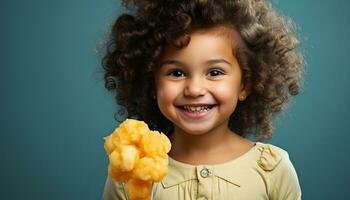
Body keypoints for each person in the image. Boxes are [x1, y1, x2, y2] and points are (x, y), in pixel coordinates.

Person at [101, 0, 304, 199]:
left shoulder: (272, 170)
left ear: (245, 84)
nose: (194, 89)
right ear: (152, 84)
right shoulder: (131, 171)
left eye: (215, 72)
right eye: (176, 73)